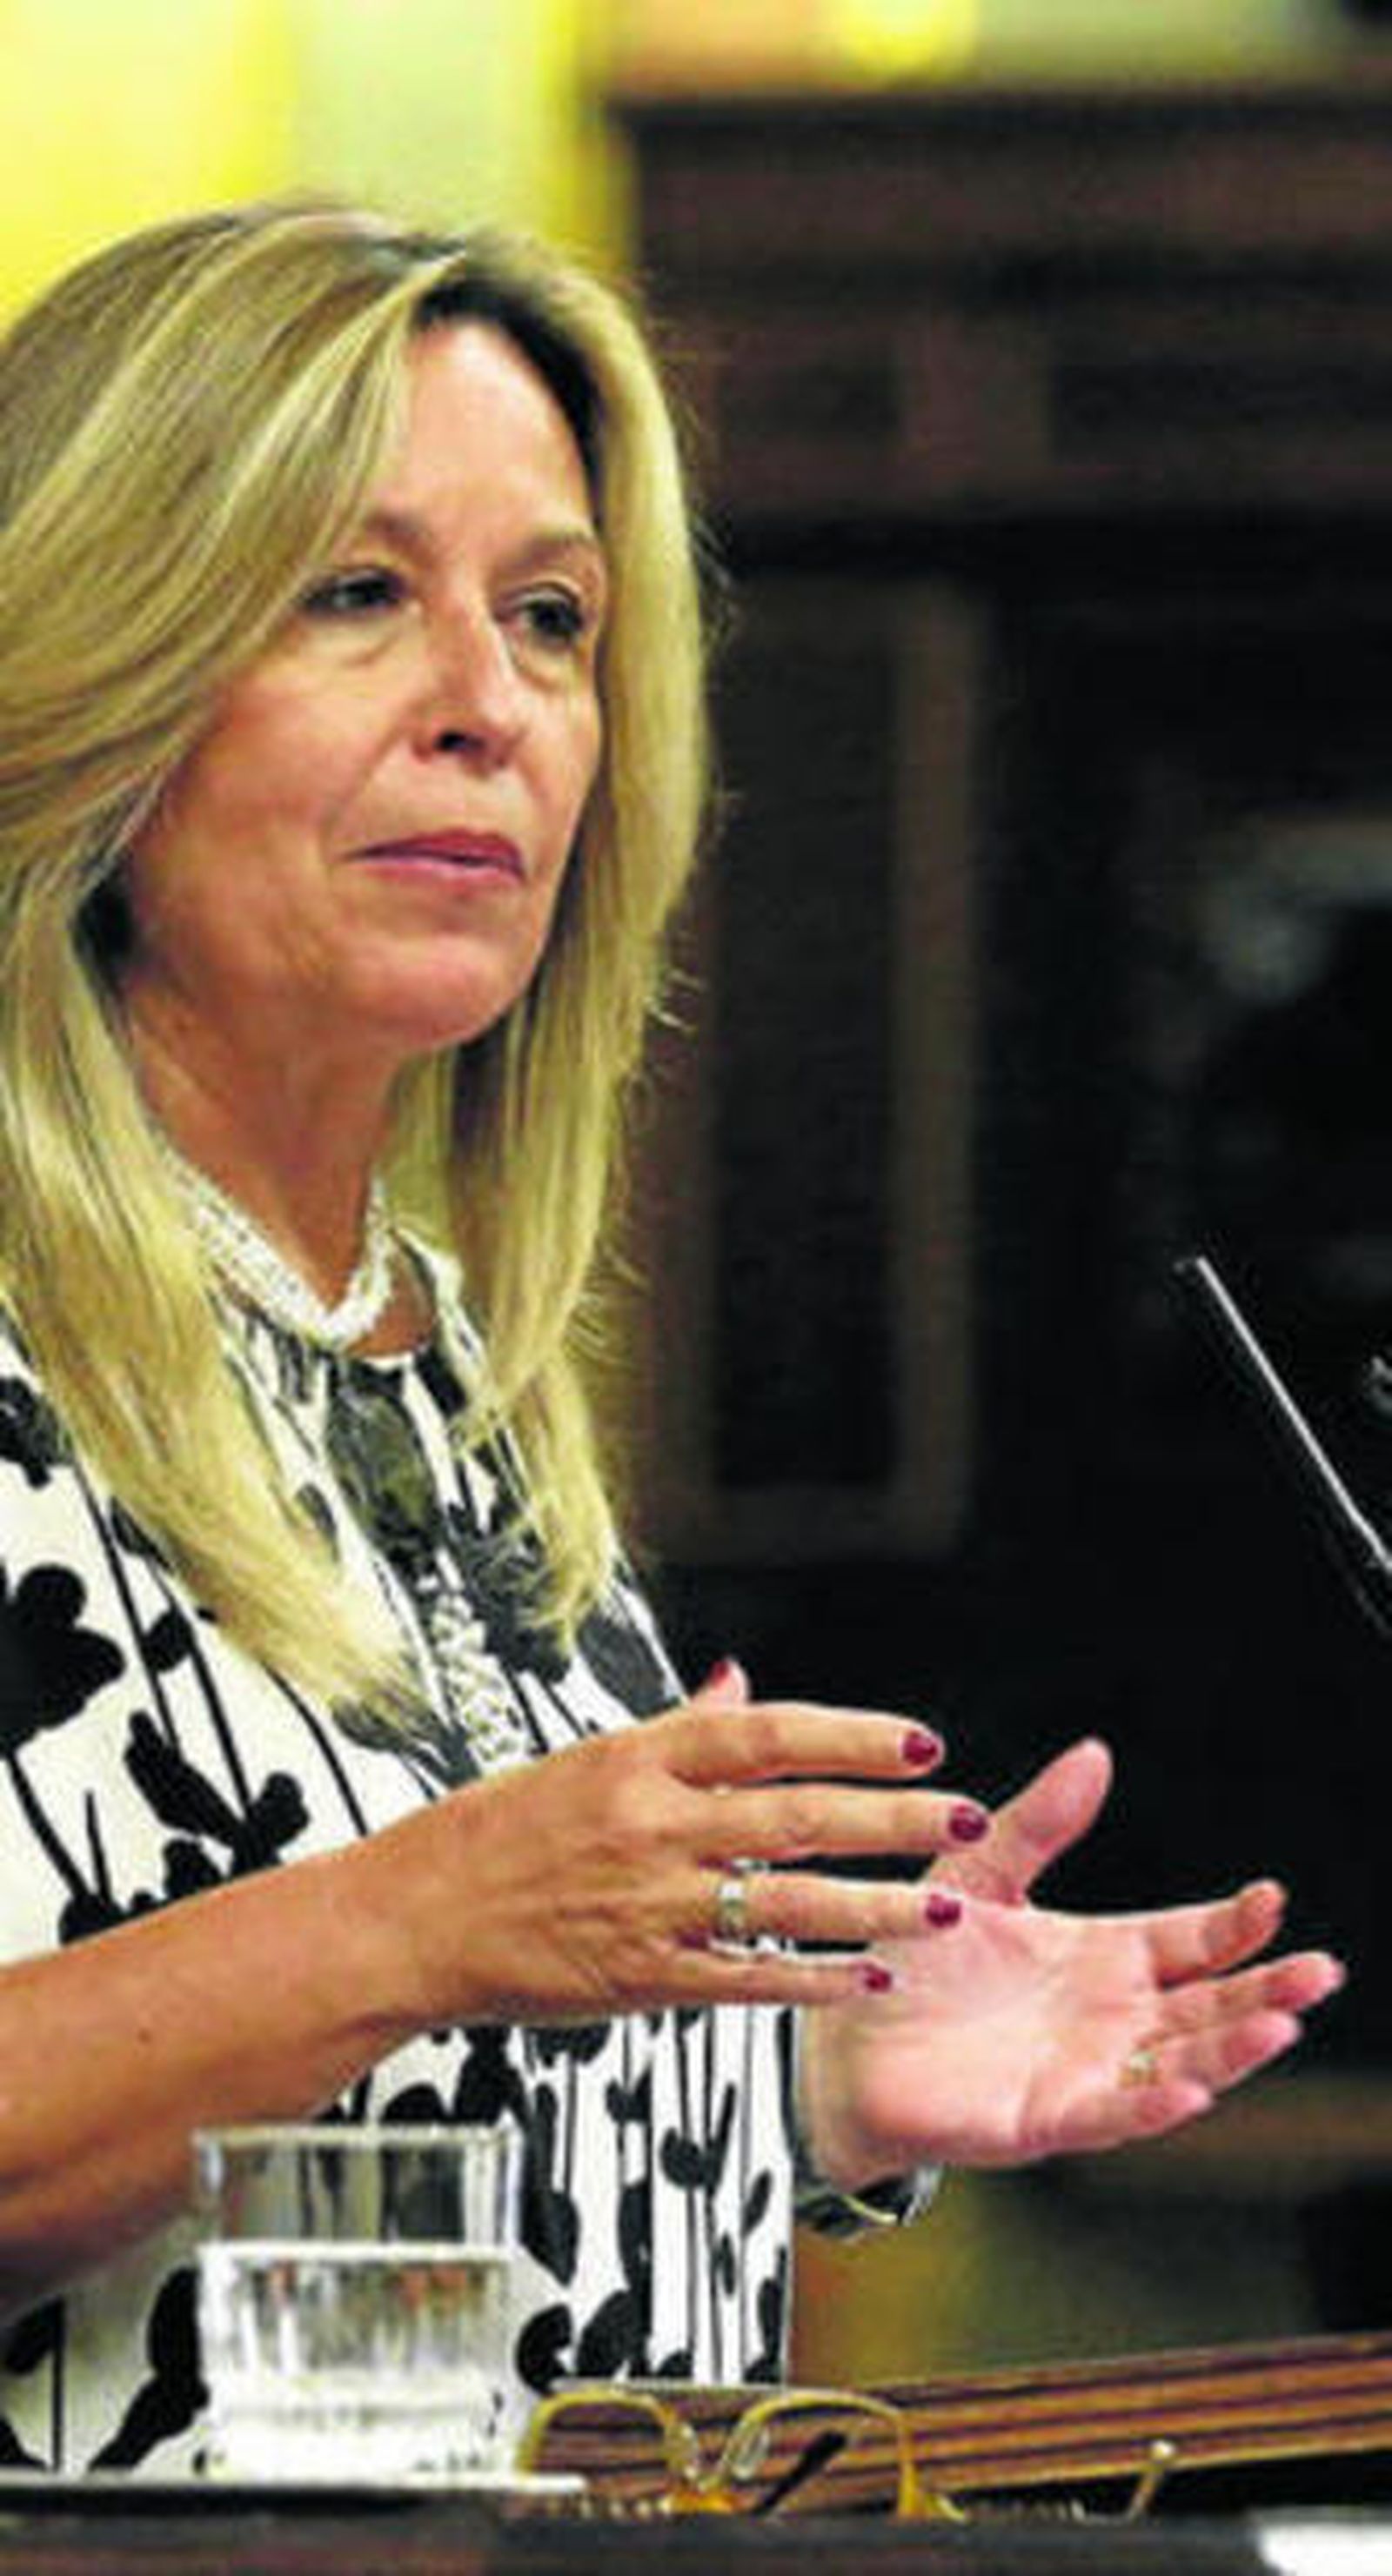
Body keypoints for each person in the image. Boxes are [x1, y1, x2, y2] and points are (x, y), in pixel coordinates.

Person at [0, 197, 1342, 2477]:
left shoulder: (437, 1379)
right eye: (355, 591)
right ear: (91, 646)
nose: (487, 702)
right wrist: (434, 1912)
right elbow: (390, 1953)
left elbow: (389, 2129)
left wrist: (783, 2073)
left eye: (551, 616)